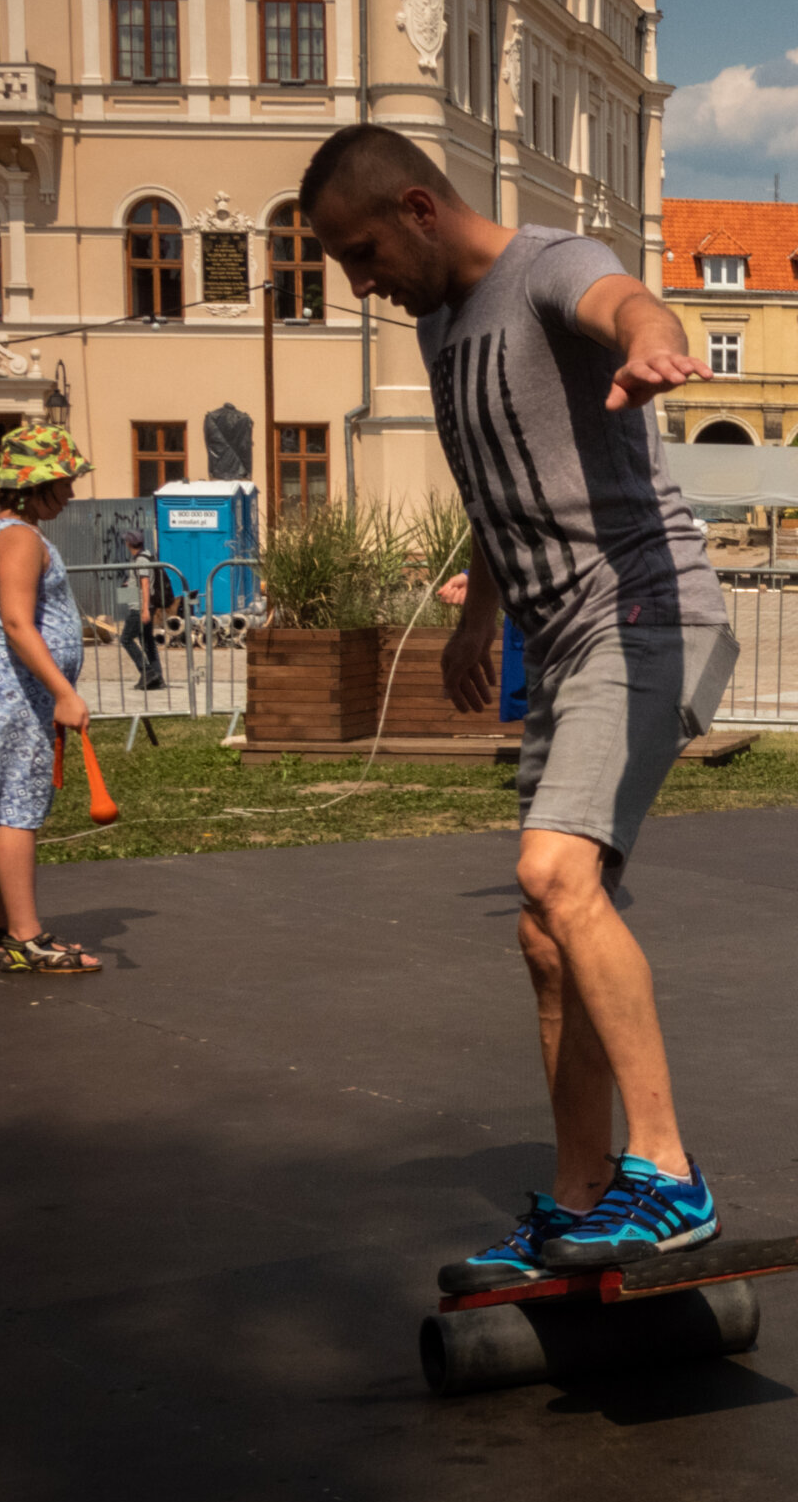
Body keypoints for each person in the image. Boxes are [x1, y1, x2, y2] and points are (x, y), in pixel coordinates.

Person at [300, 123, 740, 1287]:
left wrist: (654, 348)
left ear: (416, 206)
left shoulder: (549, 264)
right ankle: (582, 1194)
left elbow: (630, 305)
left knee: (555, 874)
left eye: (362, 252)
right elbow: (494, 478)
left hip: (651, 616)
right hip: (561, 642)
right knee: (543, 935)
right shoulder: (443, 326)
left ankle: (669, 1175)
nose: (362, 283)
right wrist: (477, 618)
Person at [0, 425, 103, 975]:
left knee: (7, 805)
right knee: (18, 807)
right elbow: (18, 622)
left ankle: (10, 929)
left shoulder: (14, 530)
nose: (69, 494)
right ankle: (25, 936)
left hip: (15, 686)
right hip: (19, 688)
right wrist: (63, 691)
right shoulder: (19, 537)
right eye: (62, 482)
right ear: (33, 485)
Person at [116, 528, 166, 692]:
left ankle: (147, 672)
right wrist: (128, 586)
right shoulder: (142, 557)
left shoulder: (141, 560)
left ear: (129, 543)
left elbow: (145, 584)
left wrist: (144, 609)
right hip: (140, 605)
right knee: (147, 641)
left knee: (126, 639)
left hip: (139, 607)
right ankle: (157, 678)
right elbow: (139, 582)